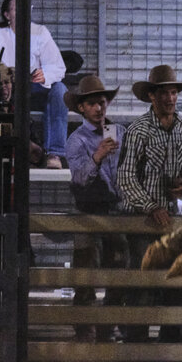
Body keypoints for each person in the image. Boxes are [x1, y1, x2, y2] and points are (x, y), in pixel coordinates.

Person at [117, 64, 182, 343]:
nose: (169, 98)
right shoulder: (138, 130)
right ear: (152, 96)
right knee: (143, 288)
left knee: (176, 285)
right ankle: (136, 351)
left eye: (173, 92)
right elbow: (126, 177)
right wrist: (151, 206)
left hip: (172, 218)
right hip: (142, 220)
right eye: (163, 93)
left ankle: (170, 352)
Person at [64, 75, 127, 342]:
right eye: (93, 104)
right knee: (86, 274)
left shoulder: (121, 133)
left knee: (119, 272)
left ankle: (106, 327)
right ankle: (85, 330)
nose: (99, 108)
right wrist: (98, 157)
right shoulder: (76, 140)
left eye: (102, 102)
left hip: (116, 211)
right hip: (88, 212)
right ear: (82, 108)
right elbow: (79, 178)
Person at [0, 0, 68, 169]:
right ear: (7, 14)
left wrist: (45, 75)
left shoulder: (40, 32)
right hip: (5, 89)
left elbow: (58, 67)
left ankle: (54, 153)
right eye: (17, 8)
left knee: (60, 89)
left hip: (31, 88)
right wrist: (7, 77)